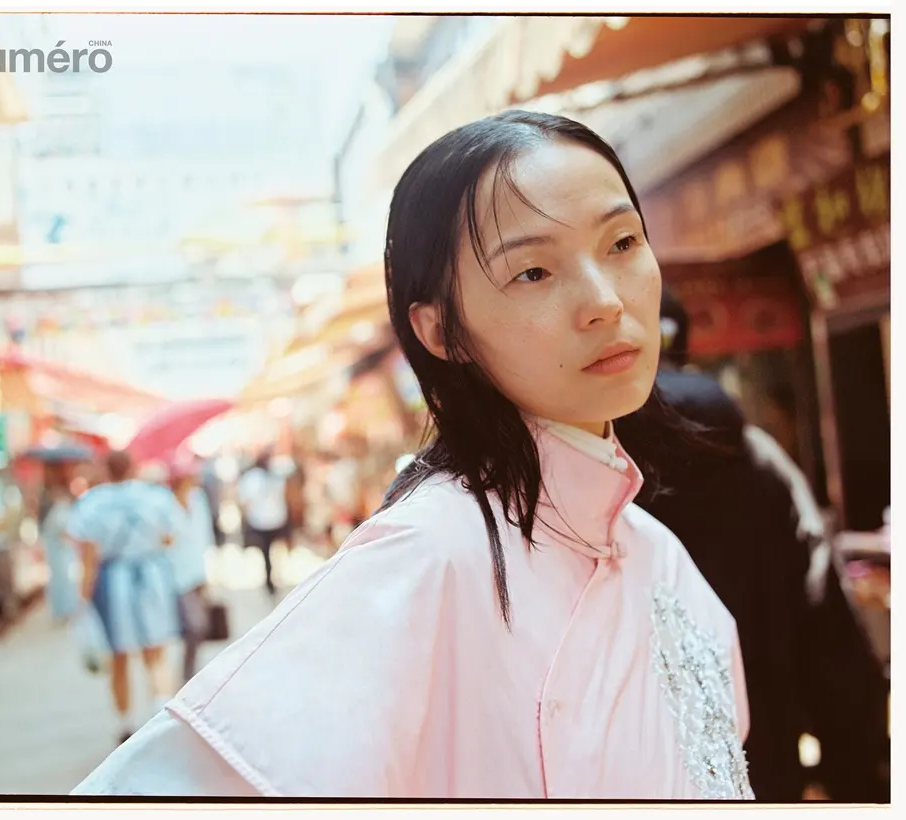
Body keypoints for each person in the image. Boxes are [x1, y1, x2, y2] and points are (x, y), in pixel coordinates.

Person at [72, 111, 752, 799]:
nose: (605, 302)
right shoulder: (430, 552)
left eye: (622, 242)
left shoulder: (657, 553)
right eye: (535, 271)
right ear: (440, 329)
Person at [616, 289, 890, 802]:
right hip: (762, 768)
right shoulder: (761, 462)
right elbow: (830, 630)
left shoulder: (578, 472)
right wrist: (853, 774)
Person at [66, 450, 184, 747]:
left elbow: (88, 557)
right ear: (133, 467)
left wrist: (82, 599)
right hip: (152, 576)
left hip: (113, 581)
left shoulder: (92, 503)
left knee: (119, 654)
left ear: (106, 470)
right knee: (155, 650)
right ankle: (160, 711)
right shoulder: (155, 496)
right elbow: (170, 537)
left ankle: (126, 722)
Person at [165, 452, 213, 684]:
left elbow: (205, 534)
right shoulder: (166, 504)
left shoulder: (198, 499)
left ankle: (189, 671)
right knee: (194, 625)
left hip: (196, 570)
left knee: (198, 626)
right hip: (175, 574)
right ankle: (186, 674)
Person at [236, 449, 290, 596]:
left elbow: (244, 502)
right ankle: (274, 578)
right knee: (273, 550)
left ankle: (271, 580)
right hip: (275, 519)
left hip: (262, 521)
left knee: (266, 553)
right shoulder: (275, 475)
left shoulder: (252, 478)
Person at [40, 462, 80, 625]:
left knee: (63, 580)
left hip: (61, 549)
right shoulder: (52, 501)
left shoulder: (61, 505)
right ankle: (63, 610)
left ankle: (66, 610)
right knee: (61, 580)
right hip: (58, 549)